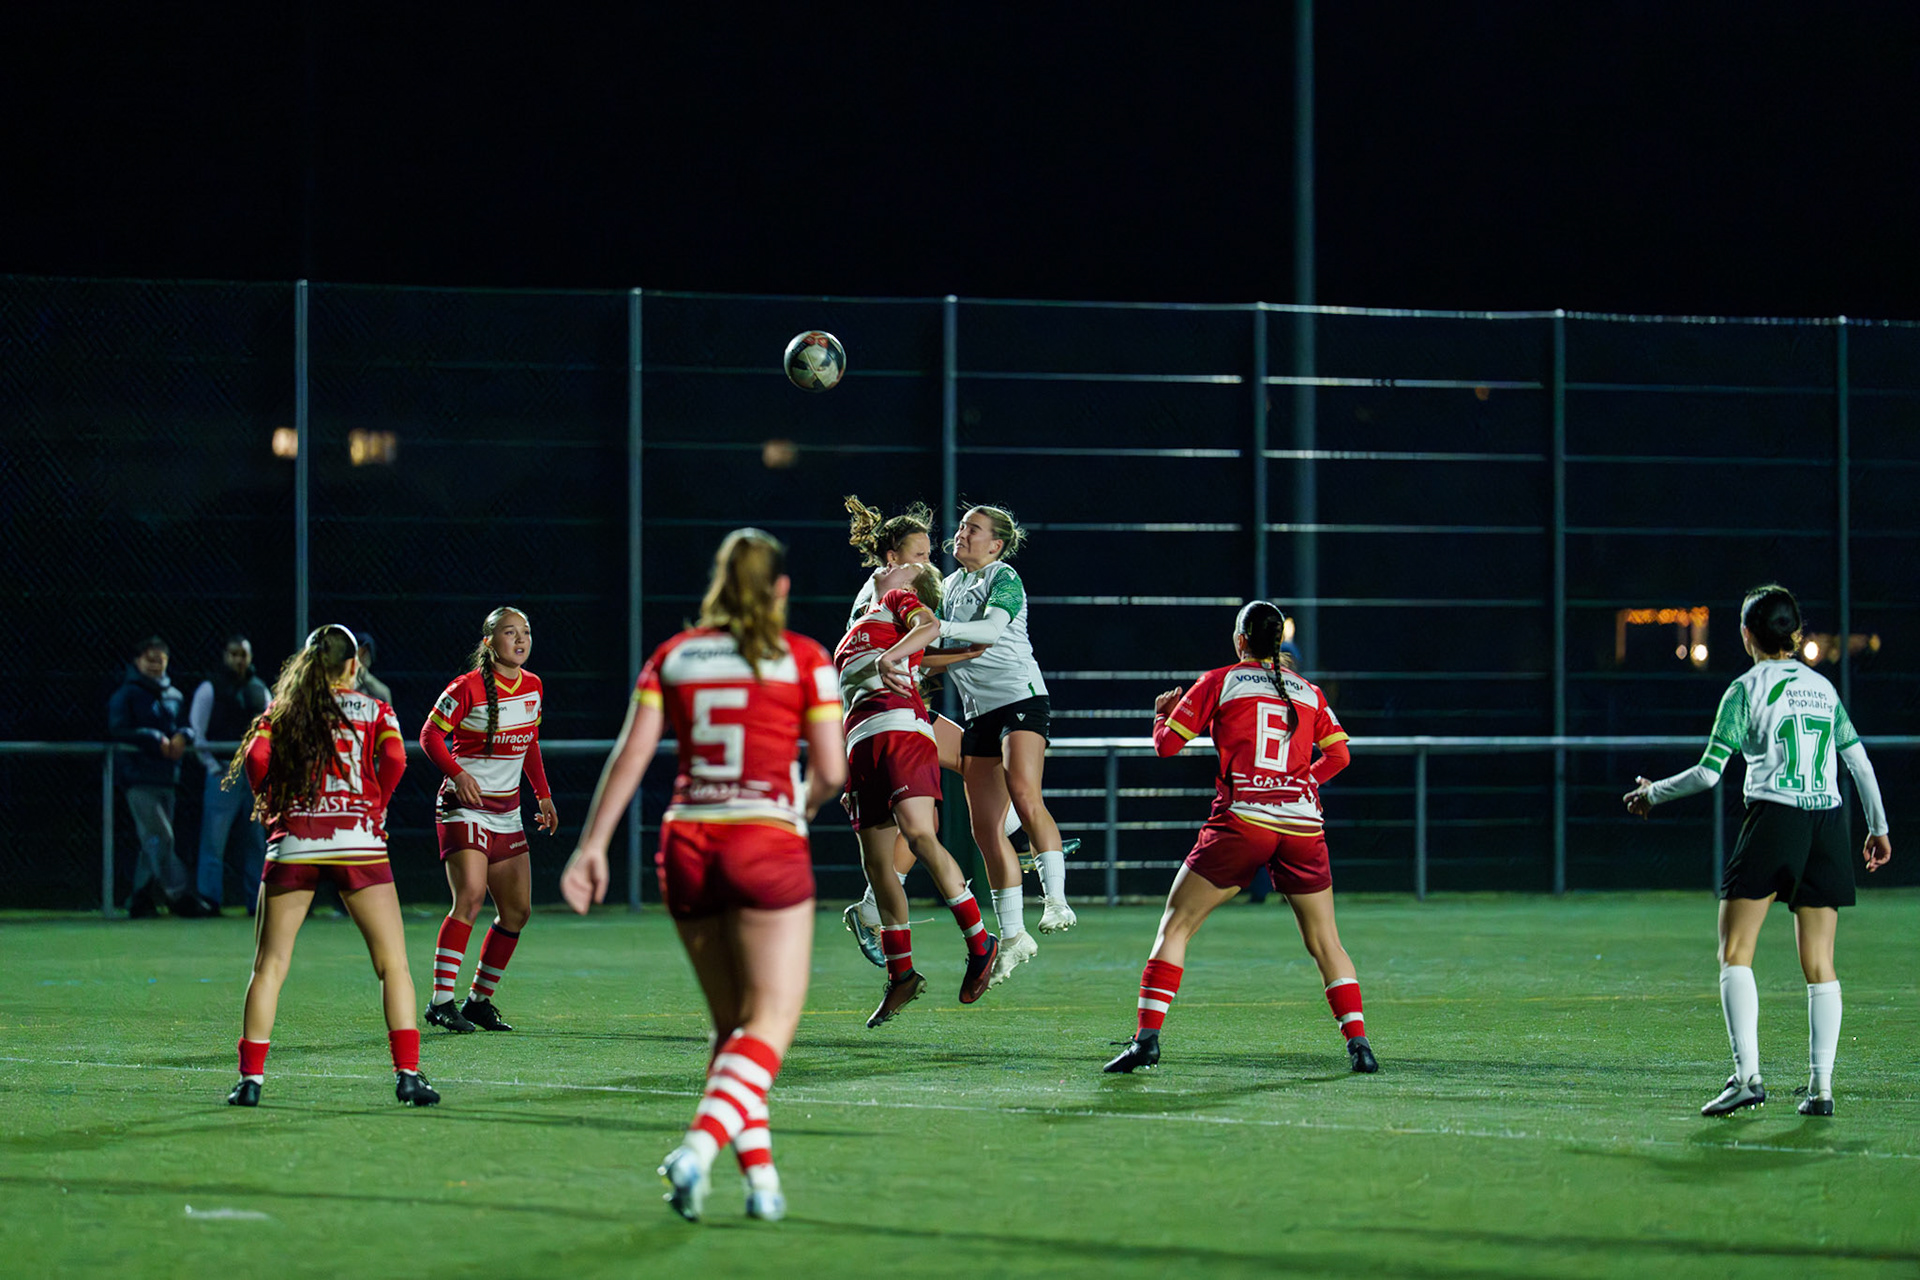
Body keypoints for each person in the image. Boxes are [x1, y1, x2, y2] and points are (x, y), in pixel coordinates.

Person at [561, 529, 844, 1224]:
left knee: (733, 1031)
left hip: (686, 841)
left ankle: (762, 1184)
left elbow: (631, 754)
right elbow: (833, 772)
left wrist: (592, 845)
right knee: (770, 1023)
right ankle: (695, 1149)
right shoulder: (804, 658)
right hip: (764, 838)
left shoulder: (674, 656)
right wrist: (797, 809)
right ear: (779, 588)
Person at [1623, 584, 1891, 1117]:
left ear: (1747, 634)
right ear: (1794, 634)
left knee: (1734, 951)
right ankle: (1821, 1089)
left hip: (1776, 819)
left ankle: (1747, 1076)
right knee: (1820, 963)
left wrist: (1653, 792)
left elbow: (1707, 773)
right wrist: (1878, 828)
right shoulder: (1823, 689)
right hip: (1828, 821)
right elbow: (1859, 764)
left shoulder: (1745, 690)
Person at [1104, 601, 1376, 1076]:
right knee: (1326, 941)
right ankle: (1360, 1047)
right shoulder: (1308, 692)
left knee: (1177, 926)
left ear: (1240, 641)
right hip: (1302, 826)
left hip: (1244, 821)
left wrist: (1160, 716)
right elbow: (1340, 757)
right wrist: (1302, 781)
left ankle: (1147, 1040)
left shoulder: (1221, 679)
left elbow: (1167, 746)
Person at [224, 624, 437, 1106]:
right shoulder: (377, 709)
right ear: (352, 664)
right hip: (358, 842)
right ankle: (407, 1075)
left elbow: (257, 757)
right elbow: (396, 759)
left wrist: (271, 801)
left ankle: (251, 1081)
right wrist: (375, 804)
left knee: (269, 967)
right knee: (393, 965)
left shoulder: (281, 710)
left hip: (295, 839)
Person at [834, 559, 998, 1026]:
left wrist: (893, 656)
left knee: (920, 834)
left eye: (902, 566)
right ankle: (901, 975)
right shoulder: (857, 625)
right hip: (861, 742)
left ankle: (980, 941)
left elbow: (927, 625)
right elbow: (847, 700)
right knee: (877, 866)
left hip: (901, 728)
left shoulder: (897, 601)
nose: (891, 568)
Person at [939, 504, 1075, 987]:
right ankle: (1014, 937)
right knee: (985, 830)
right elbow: (940, 651)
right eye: (961, 526)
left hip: (1021, 696)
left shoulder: (1004, 577)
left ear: (995, 544)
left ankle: (1056, 898)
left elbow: (989, 632)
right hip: (978, 713)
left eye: (973, 529)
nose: (961, 534)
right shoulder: (948, 588)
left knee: (1023, 789)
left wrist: (932, 635)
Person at [419, 607, 558, 1034]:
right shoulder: (467, 687)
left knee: (517, 911)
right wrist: (457, 775)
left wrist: (544, 795)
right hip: (465, 808)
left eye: (526, 632)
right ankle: (441, 1002)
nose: (520, 639)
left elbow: (529, 743)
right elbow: (429, 736)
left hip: (507, 813)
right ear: (488, 642)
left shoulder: (533, 686)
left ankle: (478, 1000)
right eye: (509, 632)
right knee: (471, 897)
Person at [106, 636, 214, 918]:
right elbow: (117, 729)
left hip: (167, 777)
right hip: (138, 777)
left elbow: (185, 727)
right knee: (161, 836)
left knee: (151, 842)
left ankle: (140, 898)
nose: (155, 665)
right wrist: (154, 738)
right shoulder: (126, 694)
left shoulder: (174, 695)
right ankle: (179, 895)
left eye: (160, 659)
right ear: (137, 661)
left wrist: (184, 735)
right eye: (149, 659)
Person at [189, 635, 270, 911]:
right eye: (234, 654)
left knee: (256, 841)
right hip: (223, 773)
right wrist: (213, 767)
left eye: (243, 654)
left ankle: (256, 900)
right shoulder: (209, 689)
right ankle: (209, 898)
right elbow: (197, 733)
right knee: (214, 840)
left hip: (254, 776)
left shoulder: (260, 690)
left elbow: (271, 732)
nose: (239, 660)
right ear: (225, 656)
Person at [354, 631, 394, 708]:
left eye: (365, 651)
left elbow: (385, 699)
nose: (362, 655)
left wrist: (364, 676)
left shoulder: (377, 688)